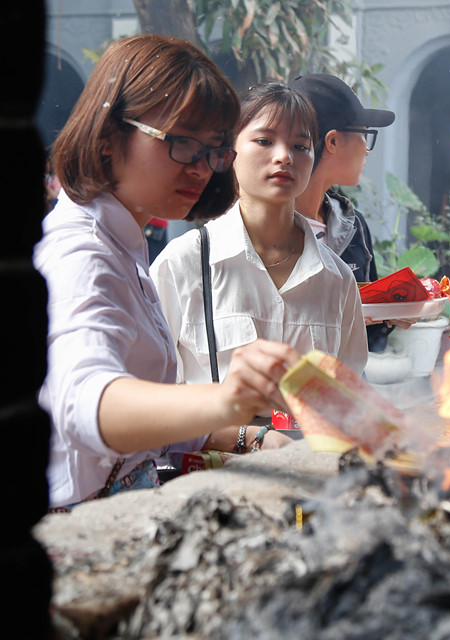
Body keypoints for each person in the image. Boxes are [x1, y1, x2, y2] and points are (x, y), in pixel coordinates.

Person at [35, 34, 300, 511]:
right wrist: (227, 399)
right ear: (108, 137)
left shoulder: (122, 241)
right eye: (181, 142)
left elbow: (151, 412)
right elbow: (85, 403)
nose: (202, 168)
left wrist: (249, 436)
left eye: (214, 149)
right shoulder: (81, 253)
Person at [150, 83, 367, 390]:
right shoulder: (184, 263)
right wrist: (248, 436)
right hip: (214, 441)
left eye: (300, 146)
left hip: (307, 440)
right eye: (265, 140)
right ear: (229, 153)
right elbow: (155, 396)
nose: (284, 157)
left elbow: (349, 396)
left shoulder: (337, 279)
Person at [289, 73, 413, 352]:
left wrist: (389, 316)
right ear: (332, 142)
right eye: (364, 134)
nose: (367, 151)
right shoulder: (268, 229)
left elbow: (370, 343)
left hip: (348, 390)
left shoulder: (352, 225)